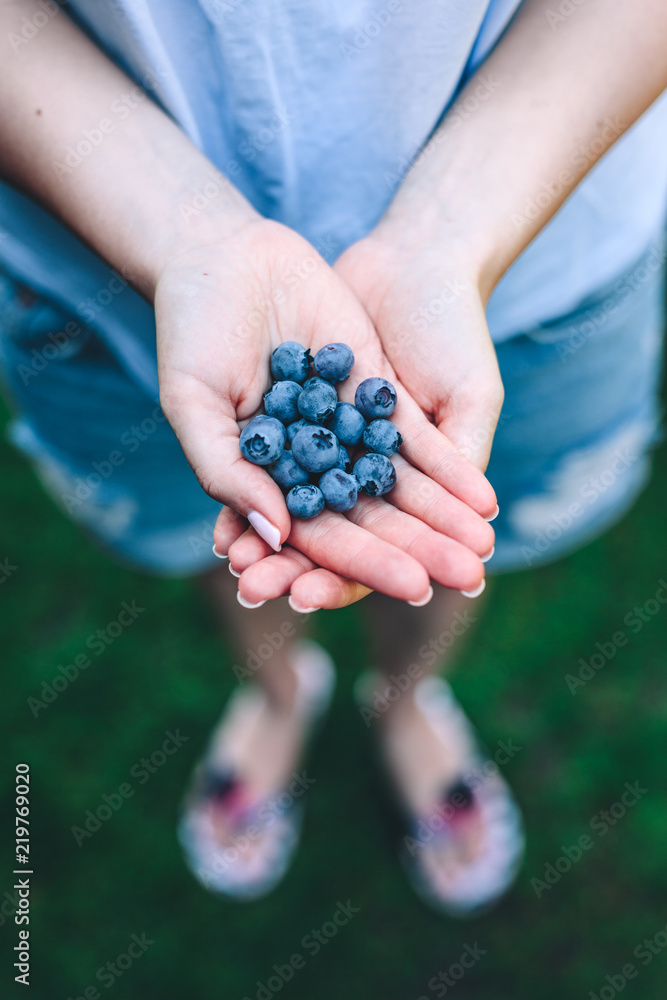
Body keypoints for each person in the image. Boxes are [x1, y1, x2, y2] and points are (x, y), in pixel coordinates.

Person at [0, 0, 665, 914]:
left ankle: (404, 696)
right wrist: (186, 238)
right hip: (99, 258)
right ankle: (278, 691)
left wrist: (448, 234)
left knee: (450, 531)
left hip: (540, 227)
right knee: (240, 528)